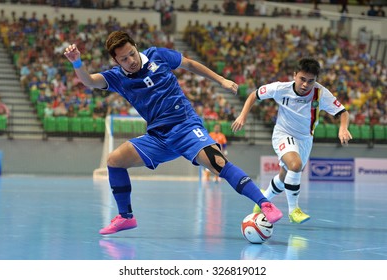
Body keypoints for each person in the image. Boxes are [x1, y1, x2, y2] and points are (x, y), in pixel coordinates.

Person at [64, 30, 283, 235]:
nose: (130, 61)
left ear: (136, 47)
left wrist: (221, 80)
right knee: (114, 161)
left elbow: (190, 64)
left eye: (131, 54)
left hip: (186, 126)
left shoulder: (157, 55)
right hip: (158, 136)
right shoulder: (117, 78)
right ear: (116, 61)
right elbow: (88, 81)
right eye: (123, 59)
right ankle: (126, 217)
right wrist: (77, 62)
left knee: (218, 163)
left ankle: (265, 204)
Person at [232, 57, 352, 224]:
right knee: (295, 165)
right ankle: (293, 210)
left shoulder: (320, 94)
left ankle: (262, 201)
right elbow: (254, 94)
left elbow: (343, 112)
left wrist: (343, 127)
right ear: (295, 75)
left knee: (284, 177)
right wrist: (243, 116)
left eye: (311, 81)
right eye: (302, 79)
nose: (305, 85)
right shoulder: (281, 88)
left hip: (305, 139)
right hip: (283, 133)